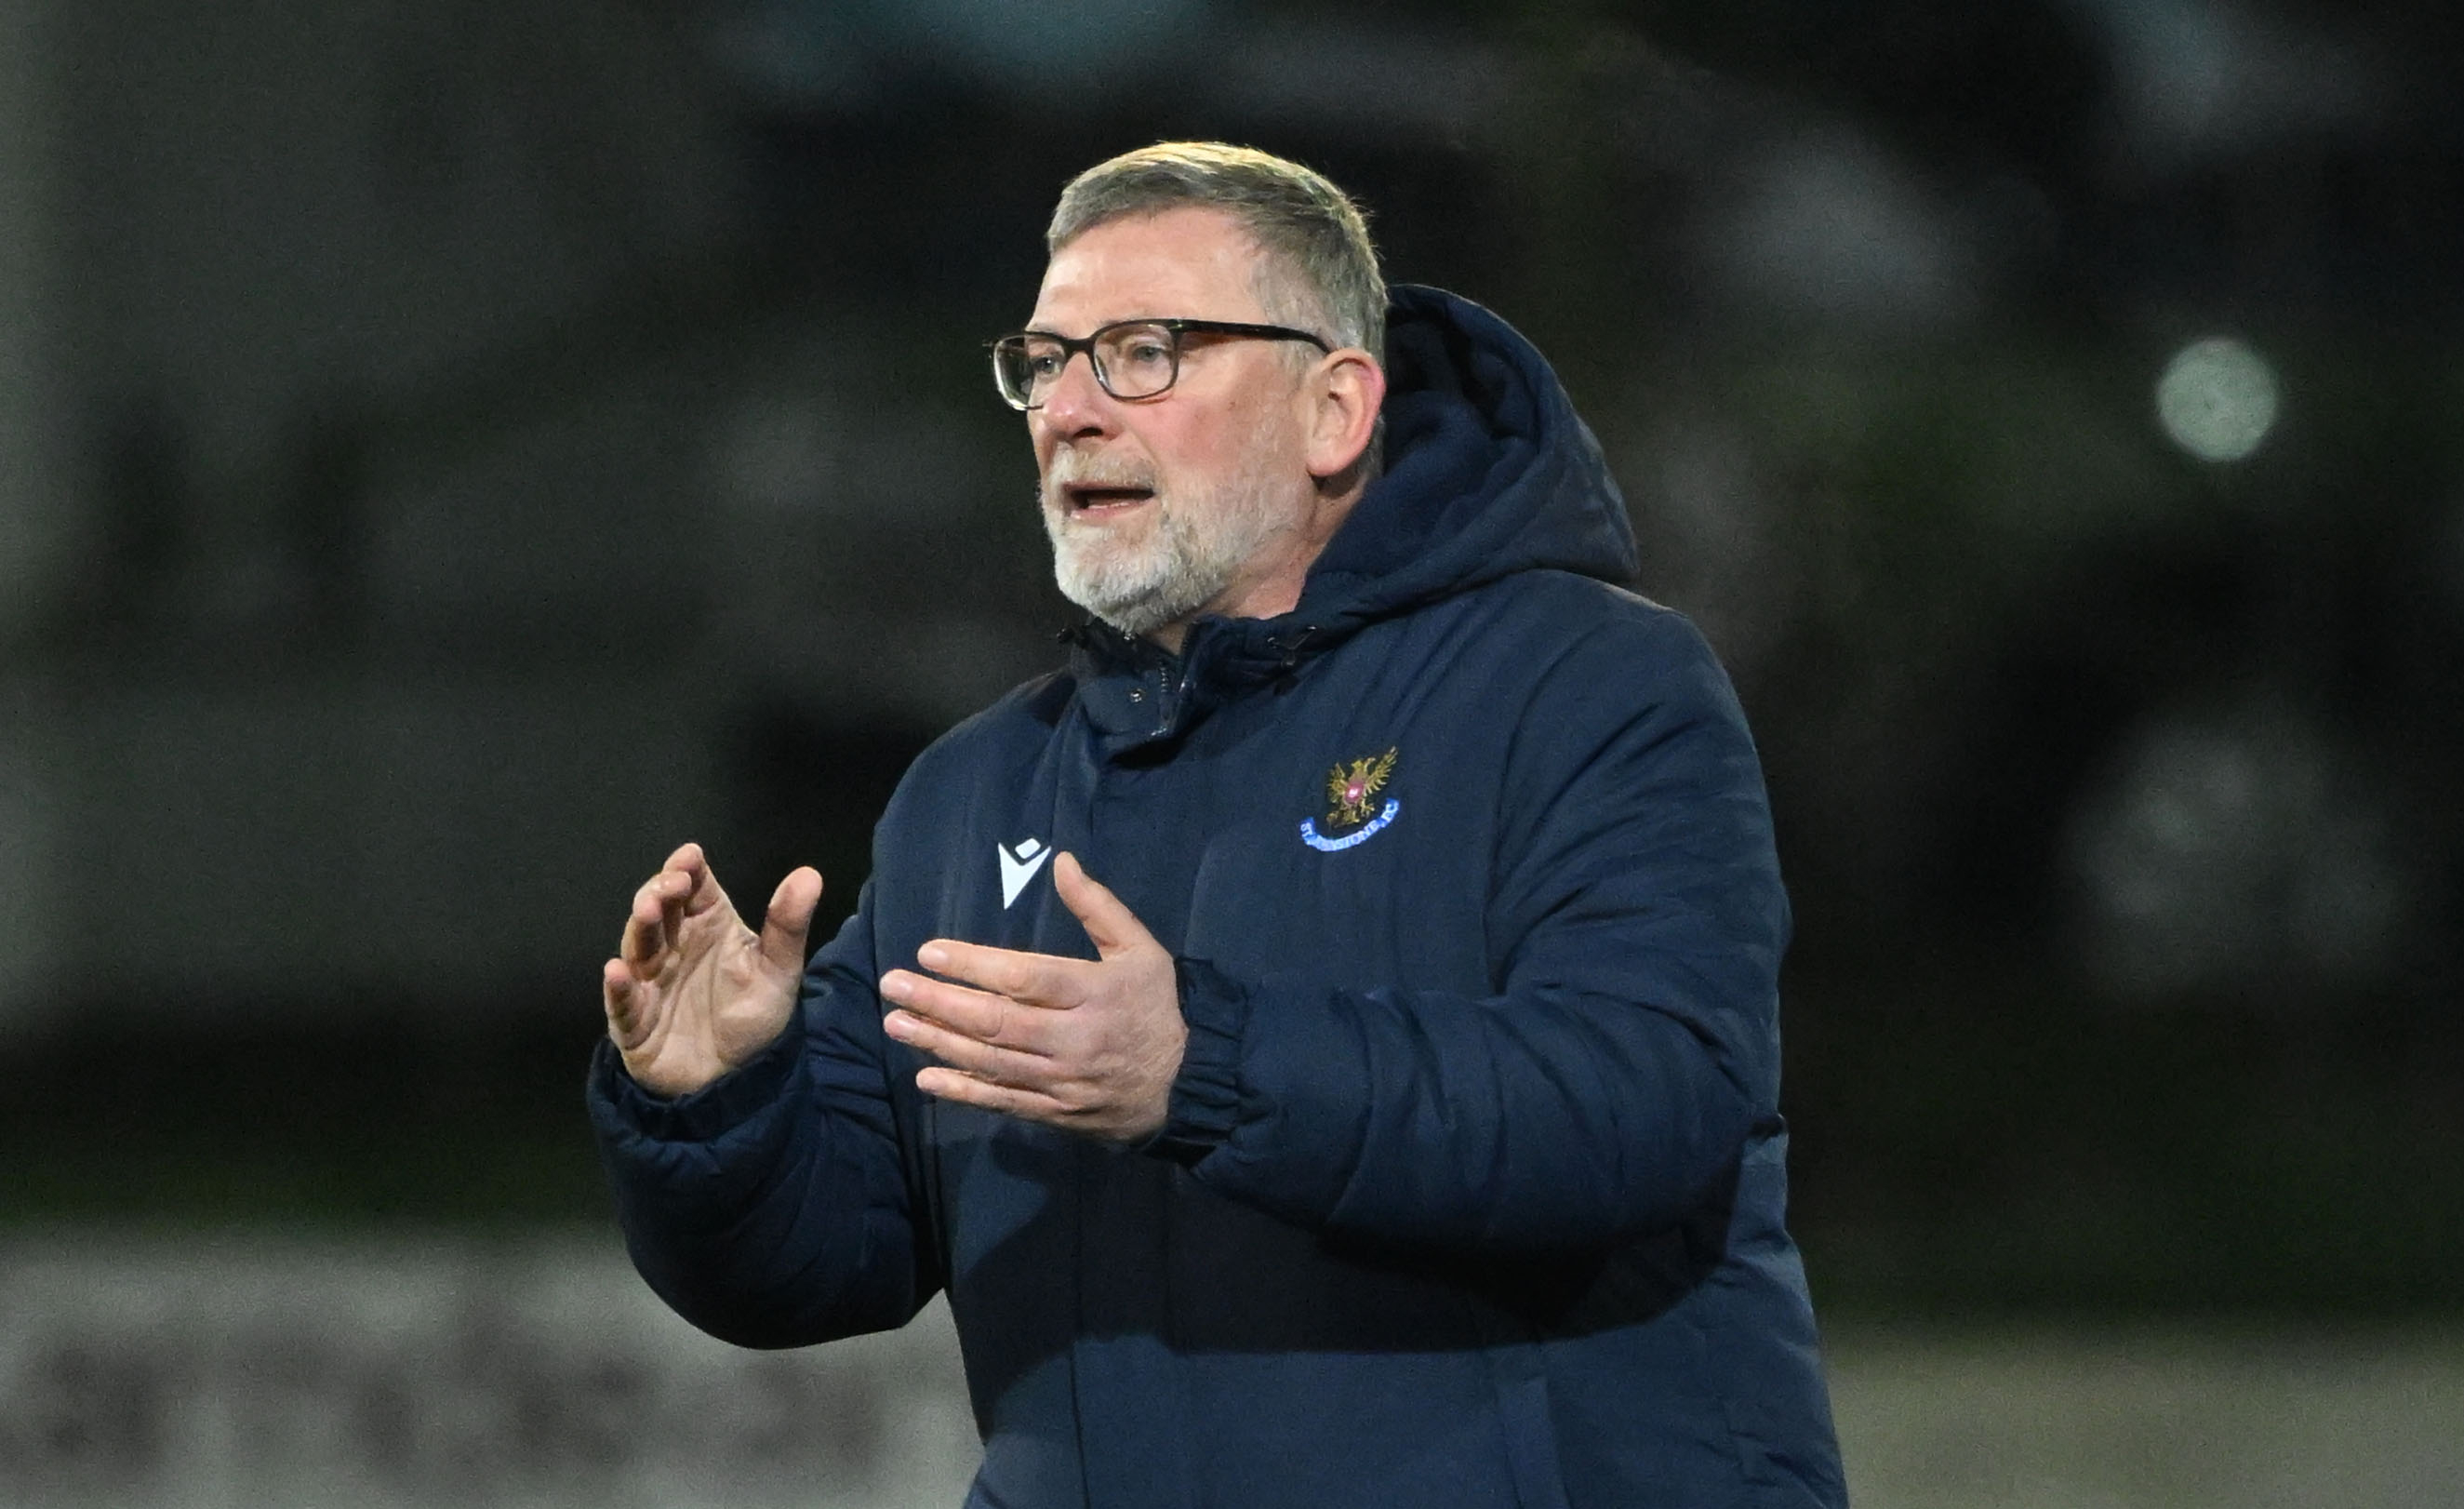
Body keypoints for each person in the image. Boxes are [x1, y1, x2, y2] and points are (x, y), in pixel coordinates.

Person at [589, 141, 1846, 1509]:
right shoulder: (978, 791)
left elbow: (1644, 1100)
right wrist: (718, 1106)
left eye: (1142, 351)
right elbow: (820, 1259)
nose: (1070, 409)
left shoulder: (1585, 683)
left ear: (1336, 408)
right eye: (1045, 359)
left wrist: (1206, 1067)